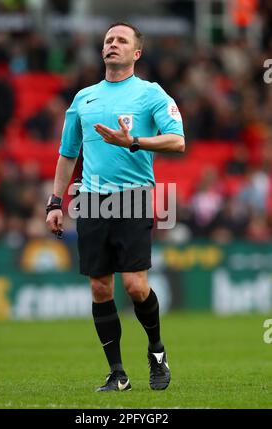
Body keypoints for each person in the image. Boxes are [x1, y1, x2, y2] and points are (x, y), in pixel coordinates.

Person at [46, 22, 185, 392]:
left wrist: (134, 141)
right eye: (108, 40)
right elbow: (66, 155)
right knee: (100, 289)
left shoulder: (151, 94)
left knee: (137, 287)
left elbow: (177, 142)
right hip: (91, 200)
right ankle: (117, 374)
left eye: (121, 40)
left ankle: (157, 352)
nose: (112, 44)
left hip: (134, 196)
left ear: (136, 53)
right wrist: (55, 202)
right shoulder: (83, 98)